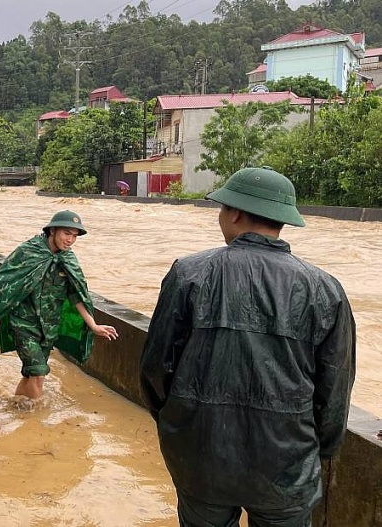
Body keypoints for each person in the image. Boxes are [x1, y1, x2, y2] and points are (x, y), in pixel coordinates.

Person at [140, 167, 355, 527]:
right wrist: (315, 451)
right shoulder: (325, 289)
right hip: (286, 466)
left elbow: (155, 368)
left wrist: (176, 426)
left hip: (200, 457)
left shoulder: (189, 273)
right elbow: (334, 389)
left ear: (236, 213)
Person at [0, 210, 118, 403]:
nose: (70, 240)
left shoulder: (68, 260)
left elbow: (76, 295)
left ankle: (18, 406)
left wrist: (93, 325)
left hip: (49, 328)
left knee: (33, 374)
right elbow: (2, 284)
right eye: (67, 233)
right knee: (38, 371)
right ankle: (34, 415)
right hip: (24, 324)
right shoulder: (28, 252)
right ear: (52, 230)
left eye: (75, 236)